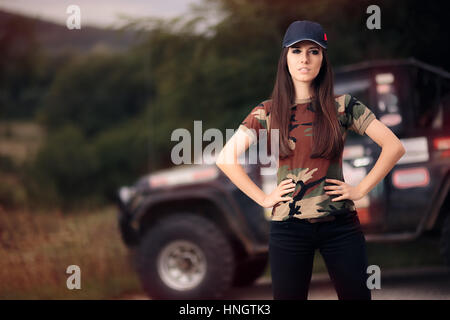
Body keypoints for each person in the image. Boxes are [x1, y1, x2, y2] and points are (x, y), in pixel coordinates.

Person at [215, 20, 406, 300]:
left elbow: (393, 146)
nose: (304, 58)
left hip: (339, 225)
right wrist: (264, 199)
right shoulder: (267, 112)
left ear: (323, 60)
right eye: (296, 50)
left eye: (313, 51)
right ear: (286, 58)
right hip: (288, 228)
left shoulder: (344, 106)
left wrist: (360, 189)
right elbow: (226, 158)